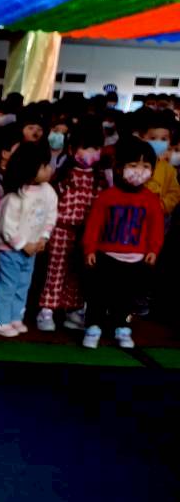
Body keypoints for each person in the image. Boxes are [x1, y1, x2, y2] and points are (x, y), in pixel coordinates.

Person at [82, 138, 163, 349]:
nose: (139, 171)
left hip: (136, 260)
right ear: (119, 168)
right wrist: (90, 249)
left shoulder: (151, 199)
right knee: (99, 294)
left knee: (127, 298)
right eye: (133, 165)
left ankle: (122, 327)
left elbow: (156, 228)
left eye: (146, 166)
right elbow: (94, 225)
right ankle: (93, 327)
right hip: (106, 256)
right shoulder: (107, 197)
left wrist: (153, 250)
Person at [36, 118, 105, 332]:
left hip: (86, 233)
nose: (91, 153)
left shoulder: (100, 178)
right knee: (55, 270)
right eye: (85, 147)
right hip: (61, 230)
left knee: (77, 273)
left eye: (96, 148)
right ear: (72, 149)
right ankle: (47, 309)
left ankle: (72, 310)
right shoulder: (64, 175)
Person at [0, 140, 56, 338]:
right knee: (7, 287)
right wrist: (23, 244)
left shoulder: (48, 191)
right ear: (29, 168)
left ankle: (15, 317)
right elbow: (6, 226)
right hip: (11, 250)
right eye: (44, 166)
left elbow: (51, 215)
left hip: (32, 249)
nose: (49, 169)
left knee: (23, 285)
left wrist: (43, 238)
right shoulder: (14, 196)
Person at [134, 110, 180, 217]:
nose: (158, 142)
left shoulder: (169, 169)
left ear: (169, 141)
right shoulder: (134, 164)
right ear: (142, 138)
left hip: (159, 215)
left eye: (164, 139)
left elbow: (175, 193)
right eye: (153, 138)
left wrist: (162, 205)